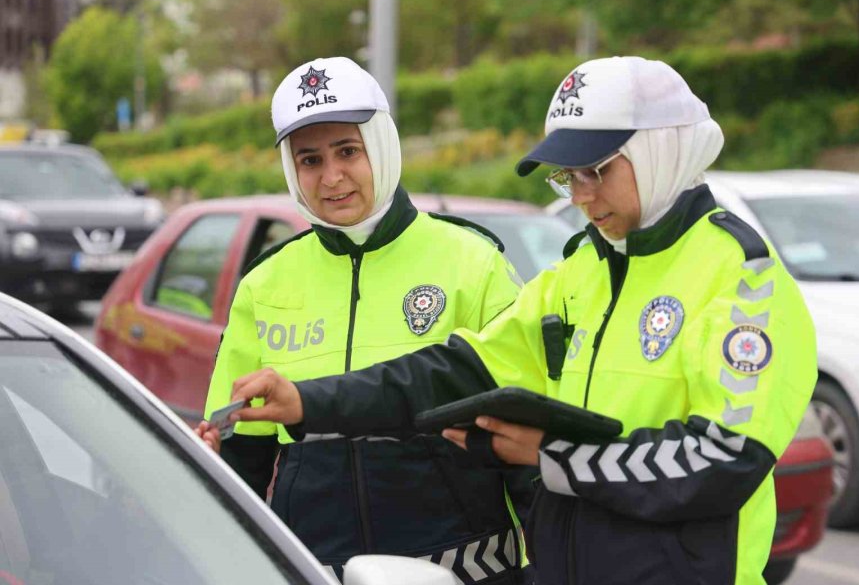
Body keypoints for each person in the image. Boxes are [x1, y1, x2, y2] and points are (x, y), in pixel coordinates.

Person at [224, 57, 817, 585]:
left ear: (660, 150)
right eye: (568, 177)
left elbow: (723, 458)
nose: (580, 196)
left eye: (597, 170)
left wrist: (552, 456)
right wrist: (306, 402)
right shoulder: (583, 269)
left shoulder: (743, 279)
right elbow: (459, 369)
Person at [197, 56, 536, 584]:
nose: (332, 178)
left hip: (467, 572)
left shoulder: (473, 259)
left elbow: (523, 433)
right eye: (309, 160)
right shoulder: (265, 284)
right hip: (317, 571)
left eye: (348, 151)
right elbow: (238, 452)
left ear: (381, 145)